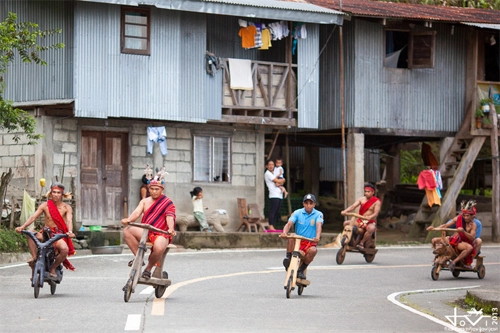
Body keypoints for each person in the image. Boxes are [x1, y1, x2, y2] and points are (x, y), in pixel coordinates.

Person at [122, 169, 176, 279]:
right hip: (147, 231)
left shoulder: (167, 202)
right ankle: (139, 258)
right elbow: (137, 212)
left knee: (159, 248)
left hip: (162, 233)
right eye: (152, 189)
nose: (154, 191)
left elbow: (169, 216)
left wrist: (170, 228)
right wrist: (128, 219)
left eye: (157, 189)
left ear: (162, 190)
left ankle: (148, 269)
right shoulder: (144, 201)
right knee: (127, 231)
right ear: (148, 189)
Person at [15, 182, 76, 278]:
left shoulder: (66, 207)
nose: (56, 195)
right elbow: (33, 217)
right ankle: (34, 258)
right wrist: (22, 227)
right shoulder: (45, 205)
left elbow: (69, 221)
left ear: (62, 194)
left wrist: (70, 232)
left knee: (64, 250)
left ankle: (53, 268)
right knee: (30, 232)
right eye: (54, 192)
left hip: (58, 235)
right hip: (46, 233)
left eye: (58, 193)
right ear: (50, 193)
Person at [281, 193, 323, 280]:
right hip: (298, 241)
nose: (308, 205)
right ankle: (288, 258)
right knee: (292, 236)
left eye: (311, 203)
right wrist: (284, 232)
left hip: (310, 242)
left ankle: (301, 269)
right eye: (306, 203)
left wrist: (317, 237)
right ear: (303, 204)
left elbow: (319, 226)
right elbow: (289, 224)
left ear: (314, 204)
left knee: (314, 250)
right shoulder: (297, 212)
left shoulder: (318, 214)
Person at [427, 200, 478, 270]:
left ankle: (454, 262)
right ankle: (440, 257)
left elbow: (472, 238)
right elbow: (446, 225)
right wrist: (434, 228)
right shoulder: (458, 218)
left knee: (469, 248)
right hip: (454, 239)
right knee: (434, 240)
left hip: (462, 242)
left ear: (472, 216)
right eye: (464, 215)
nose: (465, 217)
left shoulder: (473, 225)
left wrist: (464, 232)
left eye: (468, 216)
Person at [340, 183, 381, 250]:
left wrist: (370, 217)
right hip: (360, 220)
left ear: (373, 192)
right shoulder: (361, 199)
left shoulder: (376, 202)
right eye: (365, 191)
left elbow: (376, 213)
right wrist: (345, 211)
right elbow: (353, 206)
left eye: (368, 192)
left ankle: (362, 243)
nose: (366, 193)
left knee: (371, 228)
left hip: (369, 221)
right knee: (346, 223)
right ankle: (350, 240)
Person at [264, 159, 285, 231]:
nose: (271, 166)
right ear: (266, 166)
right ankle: (270, 225)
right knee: (273, 210)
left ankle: (273, 225)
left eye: (272, 165)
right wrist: (283, 180)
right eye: (269, 165)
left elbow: (281, 181)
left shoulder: (274, 172)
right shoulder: (267, 173)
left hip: (279, 194)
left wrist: (282, 181)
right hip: (273, 195)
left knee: (277, 210)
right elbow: (278, 181)